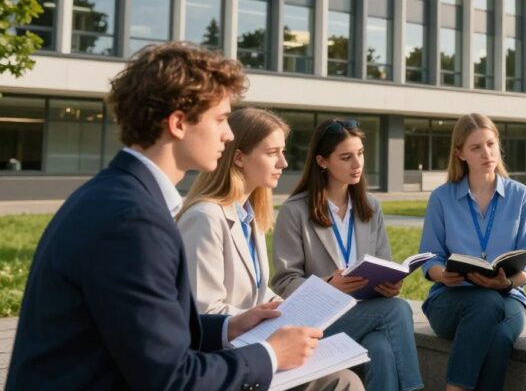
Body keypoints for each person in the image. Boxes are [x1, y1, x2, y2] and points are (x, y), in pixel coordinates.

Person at [6, 42, 321, 390]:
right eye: (220, 120)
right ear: (178, 123)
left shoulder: (118, 197)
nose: (228, 134)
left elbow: (145, 336)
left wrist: (229, 327)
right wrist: (271, 354)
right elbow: (171, 380)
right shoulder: (132, 220)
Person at [178, 107, 363, 391]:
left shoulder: (249, 217)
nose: (284, 162)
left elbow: (260, 291)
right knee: (343, 383)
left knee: (347, 375)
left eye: (283, 152)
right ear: (239, 157)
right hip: (227, 363)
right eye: (272, 153)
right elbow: (202, 313)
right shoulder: (205, 217)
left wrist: (292, 307)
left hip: (259, 347)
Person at [272, 118, 423, 391]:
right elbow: (284, 282)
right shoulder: (294, 211)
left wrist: (391, 284)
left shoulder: (371, 207)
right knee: (398, 309)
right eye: (346, 157)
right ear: (322, 161)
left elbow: (384, 262)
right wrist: (329, 284)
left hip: (365, 312)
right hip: (319, 320)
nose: (357, 164)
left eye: (361, 153)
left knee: (382, 349)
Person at [418, 113, 526, 391]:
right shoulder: (442, 197)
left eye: (491, 143)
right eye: (476, 148)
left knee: (497, 331)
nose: (487, 153)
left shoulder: (521, 196)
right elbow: (429, 256)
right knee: (486, 304)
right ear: (460, 153)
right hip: (450, 300)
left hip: (507, 297)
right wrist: (441, 274)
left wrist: (508, 282)